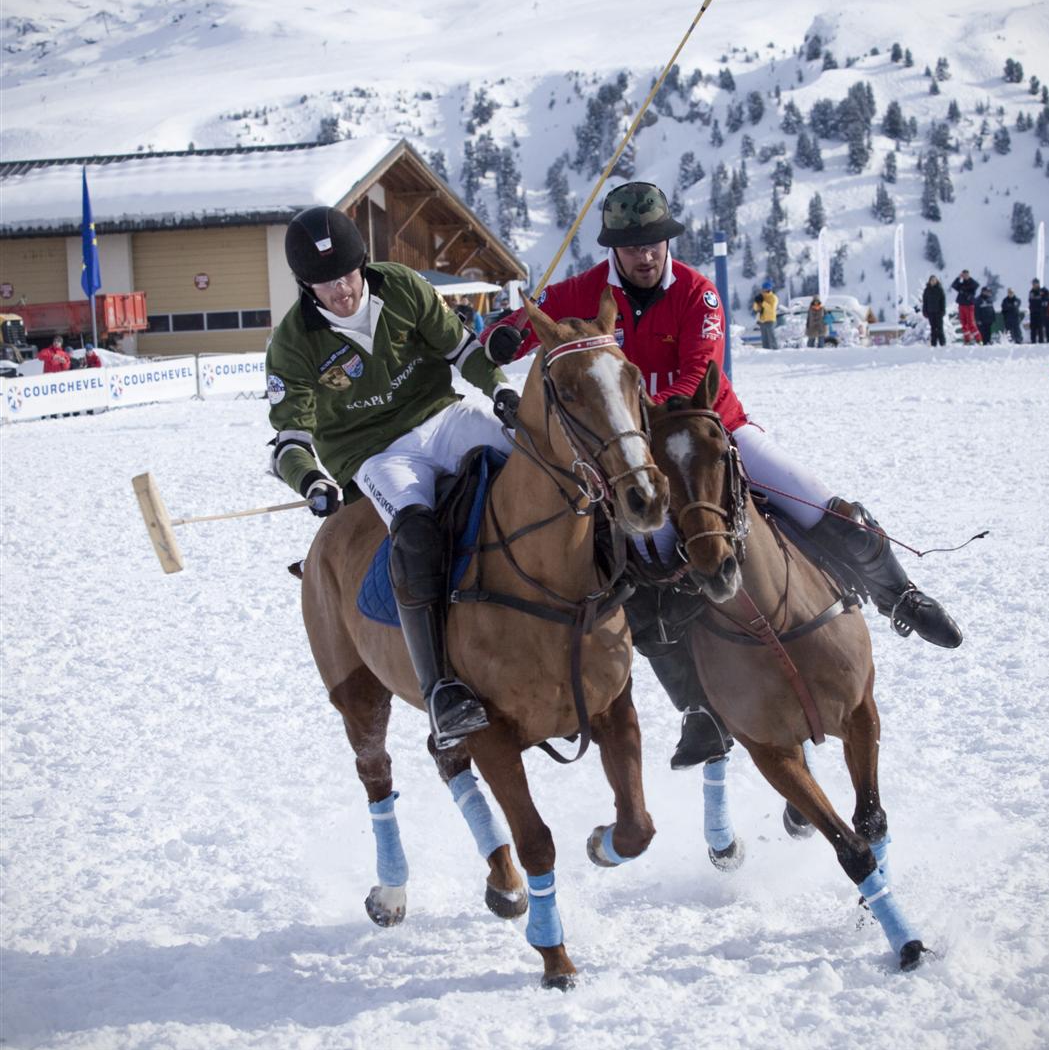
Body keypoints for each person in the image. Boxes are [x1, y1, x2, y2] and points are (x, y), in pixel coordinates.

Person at [482, 182, 962, 770]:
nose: (645, 256)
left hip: (713, 431)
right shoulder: (584, 290)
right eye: (632, 247)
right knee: (646, 578)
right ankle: (699, 710)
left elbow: (699, 371)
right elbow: (519, 329)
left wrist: (650, 419)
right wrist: (505, 334)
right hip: (633, 455)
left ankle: (900, 596)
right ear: (614, 250)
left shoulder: (697, 293)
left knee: (821, 506)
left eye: (654, 244)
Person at [266, 206, 520, 750]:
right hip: (374, 455)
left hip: (443, 417)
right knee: (416, 534)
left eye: (346, 275)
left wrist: (499, 387)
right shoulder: (292, 341)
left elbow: (461, 348)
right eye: (325, 283)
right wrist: (311, 481)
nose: (341, 290)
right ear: (306, 285)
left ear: (361, 264)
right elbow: (289, 440)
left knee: (533, 460)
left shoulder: (401, 285)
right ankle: (441, 689)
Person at [950, 269, 981, 345]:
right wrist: (958, 277)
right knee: (964, 324)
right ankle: (967, 340)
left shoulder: (972, 283)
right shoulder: (961, 284)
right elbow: (954, 285)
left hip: (969, 306)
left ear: (969, 275)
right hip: (961, 305)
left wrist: (969, 279)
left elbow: (976, 285)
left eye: (967, 275)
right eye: (964, 275)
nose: (965, 276)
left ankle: (979, 340)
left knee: (971, 324)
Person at [921, 275, 947, 347]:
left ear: (936, 281)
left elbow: (943, 301)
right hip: (930, 312)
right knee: (933, 328)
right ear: (929, 281)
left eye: (934, 280)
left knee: (940, 328)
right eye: (932, 280)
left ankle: (942, 343)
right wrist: (924, 311)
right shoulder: (927, 290)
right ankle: (933, 344)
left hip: (938, 312)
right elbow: (925, 302)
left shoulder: (940, 289)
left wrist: (943, 310)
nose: (933, 281)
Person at [752, 281, 779, 349]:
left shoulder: (773, 297)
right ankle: (766, 351)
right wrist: (756, 302)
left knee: (771, 338)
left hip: (770, 320)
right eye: (763, 289)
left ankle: (775, 350)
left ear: (769, 289)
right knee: (764, 339)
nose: (764, 290)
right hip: (762, 321)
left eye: (765, 289)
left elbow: (771, 308)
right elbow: (756, 309)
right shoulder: (762, 297)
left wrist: (763, 302)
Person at [1027, 279, 1046, 344]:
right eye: (1033, 284)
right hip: (1033, 312)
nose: (1034, 285)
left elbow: (1044, 299)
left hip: (1040, 313)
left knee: (1040, 328)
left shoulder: (1042, 291)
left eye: (1035, 283)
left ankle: (1041, 342)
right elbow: (1031, 300)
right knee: (1033, 328)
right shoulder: (1031, 292)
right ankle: (1033, 342)